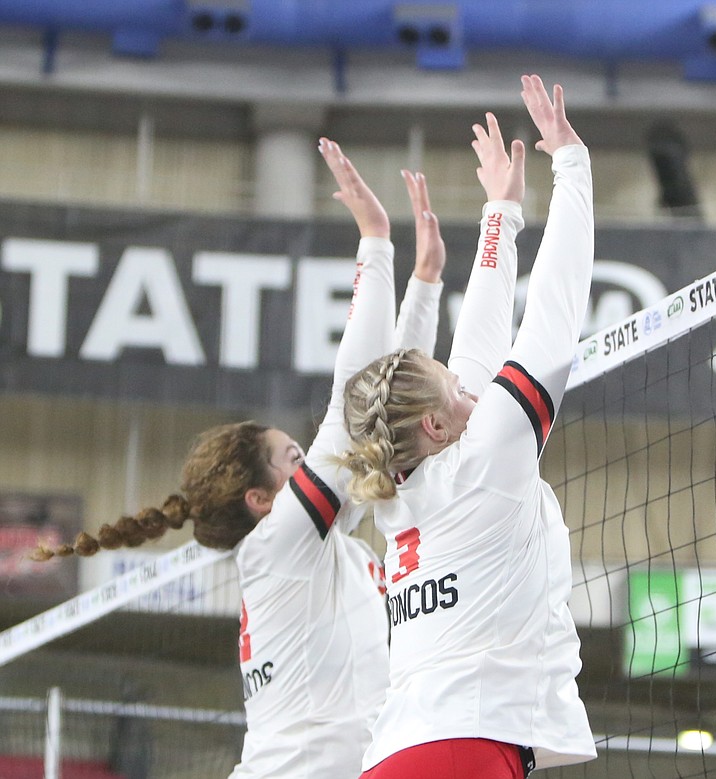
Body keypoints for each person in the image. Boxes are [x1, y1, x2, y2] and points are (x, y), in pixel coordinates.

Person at [32, 138, 447, 779]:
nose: (312, 461)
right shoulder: (280, 545)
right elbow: (350, 407)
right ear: (263, 499)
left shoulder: (328, 554)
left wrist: (424, 286)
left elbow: (384, 412)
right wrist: (375, 243)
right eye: (292, 457)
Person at [339, 74, 596, 779]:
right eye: (456, 388)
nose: (470, 385)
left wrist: (502, 214)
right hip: (464, 752)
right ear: (436, 424)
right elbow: (555, 311)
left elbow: (478, 350)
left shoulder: (399, 494)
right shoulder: (486, 457)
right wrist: (572, 165)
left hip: (397, 753)